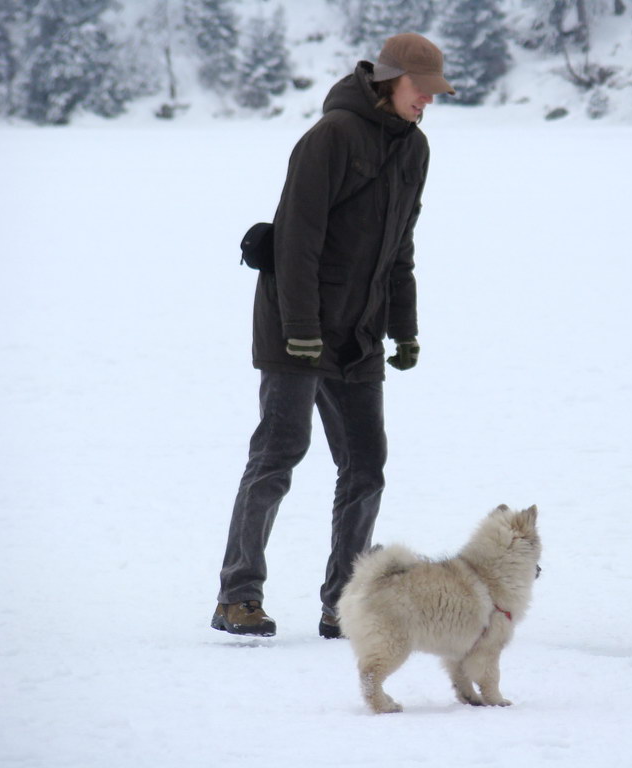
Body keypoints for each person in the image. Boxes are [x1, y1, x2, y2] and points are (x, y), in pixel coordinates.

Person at [211, 33, 454, 639]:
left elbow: (401, 248)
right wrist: (298, 331)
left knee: (366, 464)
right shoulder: (332, 137)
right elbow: (295, 241)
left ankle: (344, 601)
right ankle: (237, 596)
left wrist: (405, 328)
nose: (427, 100)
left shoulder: (416, 149)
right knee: (277, 457)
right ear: (388, 80)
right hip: (297, 326)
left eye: (432, 92)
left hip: (359, 333)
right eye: (419, 89)